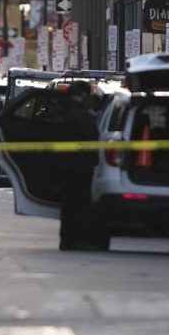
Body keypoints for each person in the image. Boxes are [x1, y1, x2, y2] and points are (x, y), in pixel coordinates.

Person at [59, 80, 103, 251]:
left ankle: (67, 239)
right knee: (78, 204)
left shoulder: (62, 111)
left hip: (67, 165)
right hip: (80, 166)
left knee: (68, 204)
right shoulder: (80, 115)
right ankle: (75, 239)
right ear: (83, 95)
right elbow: (92, 136)